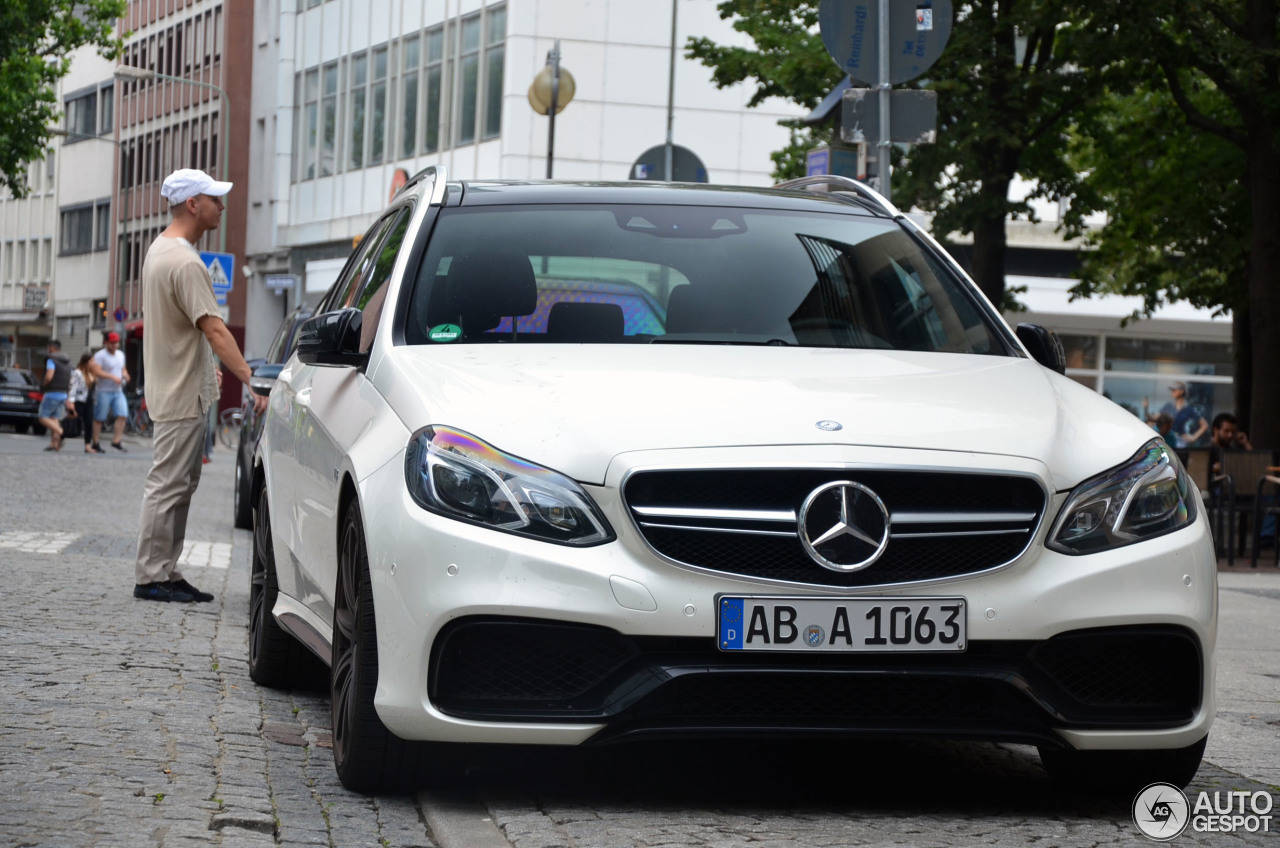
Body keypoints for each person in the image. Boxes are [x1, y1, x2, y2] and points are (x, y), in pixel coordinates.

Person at [133, 168, 266, 604]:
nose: (221, 207)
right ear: (193, 204)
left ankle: (165, 572)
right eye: (215, 199)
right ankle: (152, 575)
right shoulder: (186, 261)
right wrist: (251, 379)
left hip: (178, 386)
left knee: (178, 484)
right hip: (178, 393)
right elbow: (214, 329)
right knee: (168, 484)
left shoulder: (161, 249)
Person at [90, 331, 131, 452]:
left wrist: (125, 375)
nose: (115, 345)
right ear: (106, 343)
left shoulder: (120, 355)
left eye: (116, 342)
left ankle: (116, 441)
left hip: (118, 390)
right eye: (112, 343)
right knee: (99, 418)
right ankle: (95, 442)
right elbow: (96, 371)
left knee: (122, 414)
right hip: (104, 390)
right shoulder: (100, 355)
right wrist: (112, 377)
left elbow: (122, 369)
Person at [37, 339, 72, 451]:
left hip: (52, 393)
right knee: (54, 418)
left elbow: (49, 376)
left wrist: (43, 384)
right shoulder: (67, 361)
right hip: (63, 393)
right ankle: (54, 443)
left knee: (43, 417)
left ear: (51, 348)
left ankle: (61, 433)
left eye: (48, 348)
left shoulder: (51, 360)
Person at [1153, 381, 1208, 449]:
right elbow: (1155, 418)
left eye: (1174, 390)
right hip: (1167, 440)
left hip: (1180, 443)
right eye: (1172, 390)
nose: (1172, 392)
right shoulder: (1168, 406)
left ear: (1181, 391)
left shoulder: (1189, 409)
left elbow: (1204, 425)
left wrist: (1193, 437)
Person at [68, 351, 99, 453]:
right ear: (86, 361)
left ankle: (87, 445)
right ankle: (60, 435)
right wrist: (71, 401)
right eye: (91, 360)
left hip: (89, 402)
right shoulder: (78, 373)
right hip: (79, 400)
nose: (93, 362)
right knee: (73, 421)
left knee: (89, 423)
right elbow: (73, 387)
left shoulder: (92, 373)